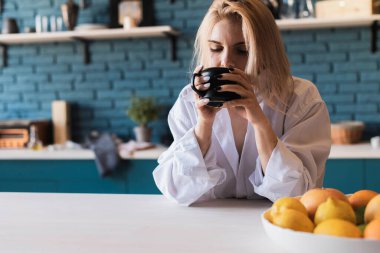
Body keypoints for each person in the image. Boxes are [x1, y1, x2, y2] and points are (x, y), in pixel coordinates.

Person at [153, 0, 331, 206]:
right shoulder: (188, 101)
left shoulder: (301, 99)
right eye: (216, 48)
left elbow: (298, 195)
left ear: (266, 52)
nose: (226, 61)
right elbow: (177, 190)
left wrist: (259, 121)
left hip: (277, 225)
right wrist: (203, 126)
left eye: (243, 50)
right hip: (210, 227)